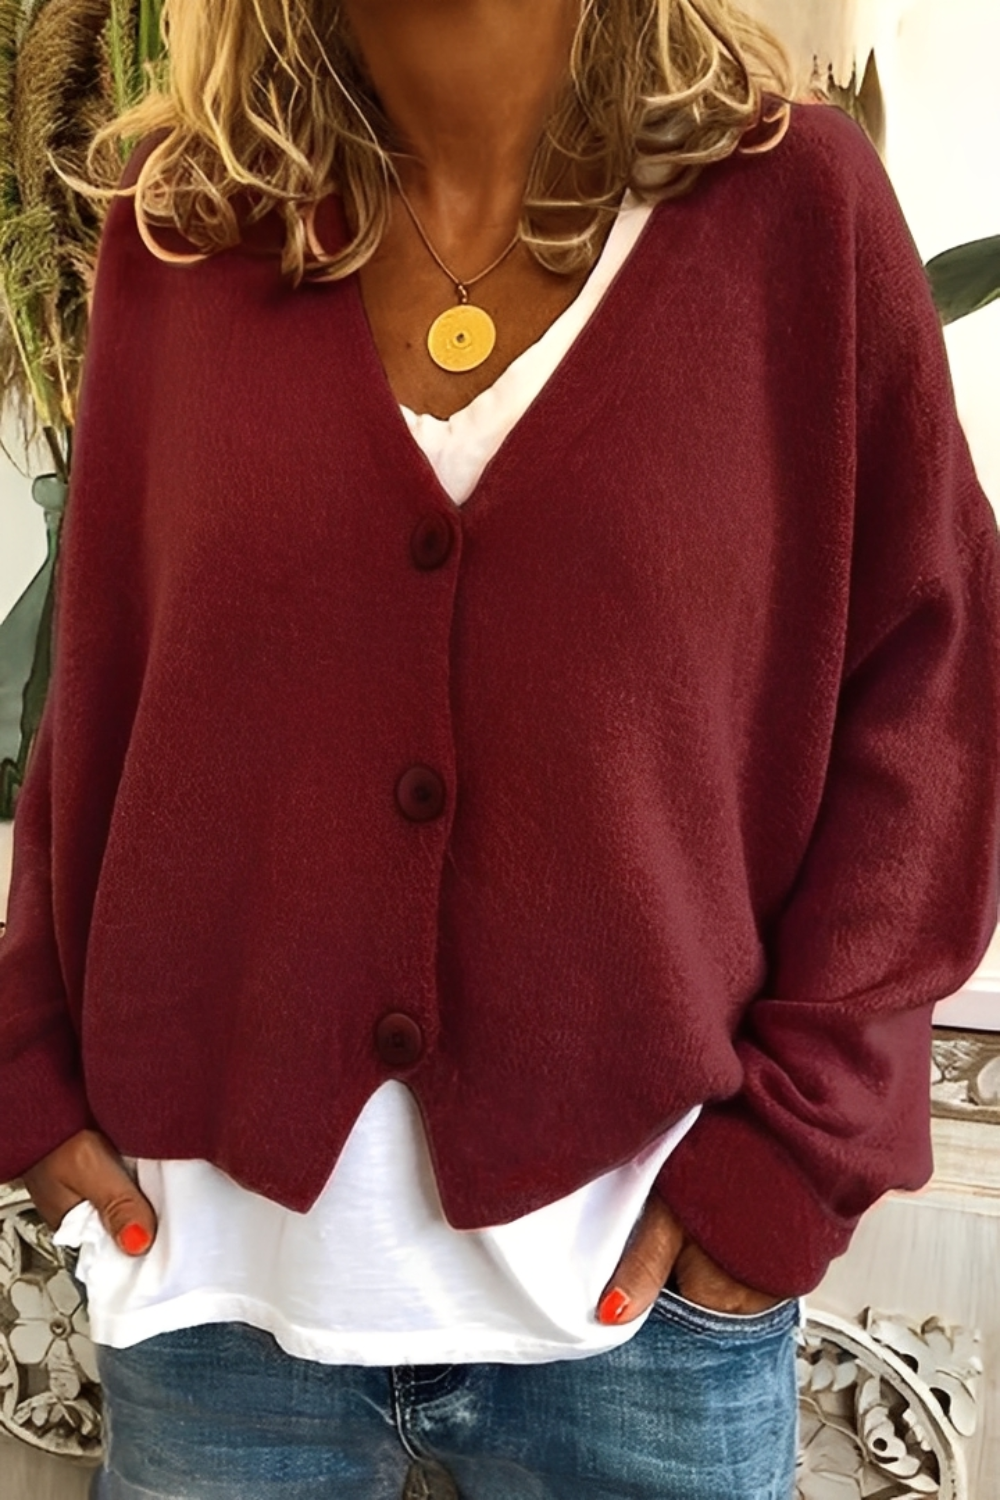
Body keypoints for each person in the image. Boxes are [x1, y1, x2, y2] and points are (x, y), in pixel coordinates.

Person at [2, 1, 999, 1496]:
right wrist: (26, 1063)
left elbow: (930, 697)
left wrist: (793, 1155)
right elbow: (104, 685)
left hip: (644, 1322)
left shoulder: (794, 209)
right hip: (218, 1307)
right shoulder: (185, 230)